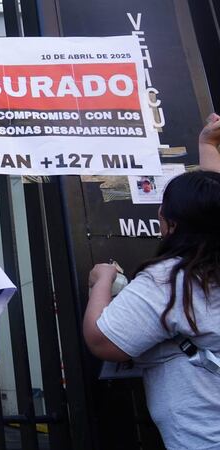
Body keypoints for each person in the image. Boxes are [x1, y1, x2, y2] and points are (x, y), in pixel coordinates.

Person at [83, 113, 220, 448]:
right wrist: (208, 146)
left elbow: (103, 341)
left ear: (170, 222)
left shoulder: (174, 278)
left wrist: (102, 279)